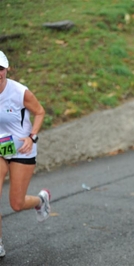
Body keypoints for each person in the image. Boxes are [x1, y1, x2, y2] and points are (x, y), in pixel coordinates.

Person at [0, 50, 51, 258]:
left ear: (7, 69)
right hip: (2, 146)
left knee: (16, 204)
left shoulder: (19, 92)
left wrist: (32, 137)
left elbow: (39, 112)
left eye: (0, 69)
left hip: (22, 146)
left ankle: (41, 200)